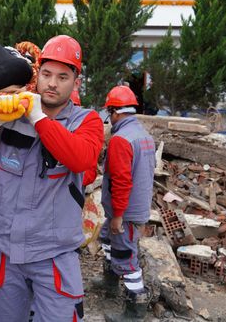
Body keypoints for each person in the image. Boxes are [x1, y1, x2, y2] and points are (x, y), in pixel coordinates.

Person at [0, 35, 104, 321]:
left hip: (53, 254)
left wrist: (39, 119)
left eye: (62, 76)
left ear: (76, 83)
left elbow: (80, 158)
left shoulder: (86, 121)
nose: (53, 83)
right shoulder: (11, 115)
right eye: (46, 74)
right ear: (38, 74)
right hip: (5, 251)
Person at [93, 86, 155, 322]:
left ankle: (135, 309)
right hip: (135, 206)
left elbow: (121, 182)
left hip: (126, 211)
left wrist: (118, 215)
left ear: (114, 112)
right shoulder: (143, 135)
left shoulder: (121, 139)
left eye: (109, 113)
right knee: (108, 239)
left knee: (125, 256)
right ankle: (110, 284)